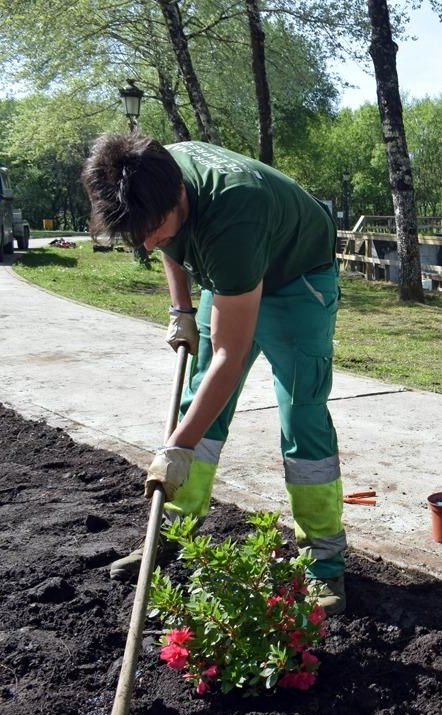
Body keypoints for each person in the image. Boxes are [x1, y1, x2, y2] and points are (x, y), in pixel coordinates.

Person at [82, 134, 348, 614]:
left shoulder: (234, 210)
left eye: (151, 230)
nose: (145, 242)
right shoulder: (151, 174)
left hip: (296, 279)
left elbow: (230, 352)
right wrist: (180, 307)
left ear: (180, 196)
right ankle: (174, 532)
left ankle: (324, 564)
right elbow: (171, 241)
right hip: (228, 271)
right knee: (198, 405)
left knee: (301, 420)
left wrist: (175, 448)